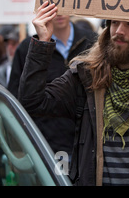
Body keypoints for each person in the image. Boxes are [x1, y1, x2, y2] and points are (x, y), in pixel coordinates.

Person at [17, 1, 129, 186]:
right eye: (114, 22)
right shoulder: (84, 76)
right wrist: (42, 42)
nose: (119, 30)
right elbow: (32, 102)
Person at [8, 14, 98, 157]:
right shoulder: (29, 47)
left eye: (63, 6)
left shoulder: (93, 42)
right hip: (44, 144)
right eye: (52, 8)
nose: (59, 14)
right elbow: (16, 98)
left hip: (85, 144)